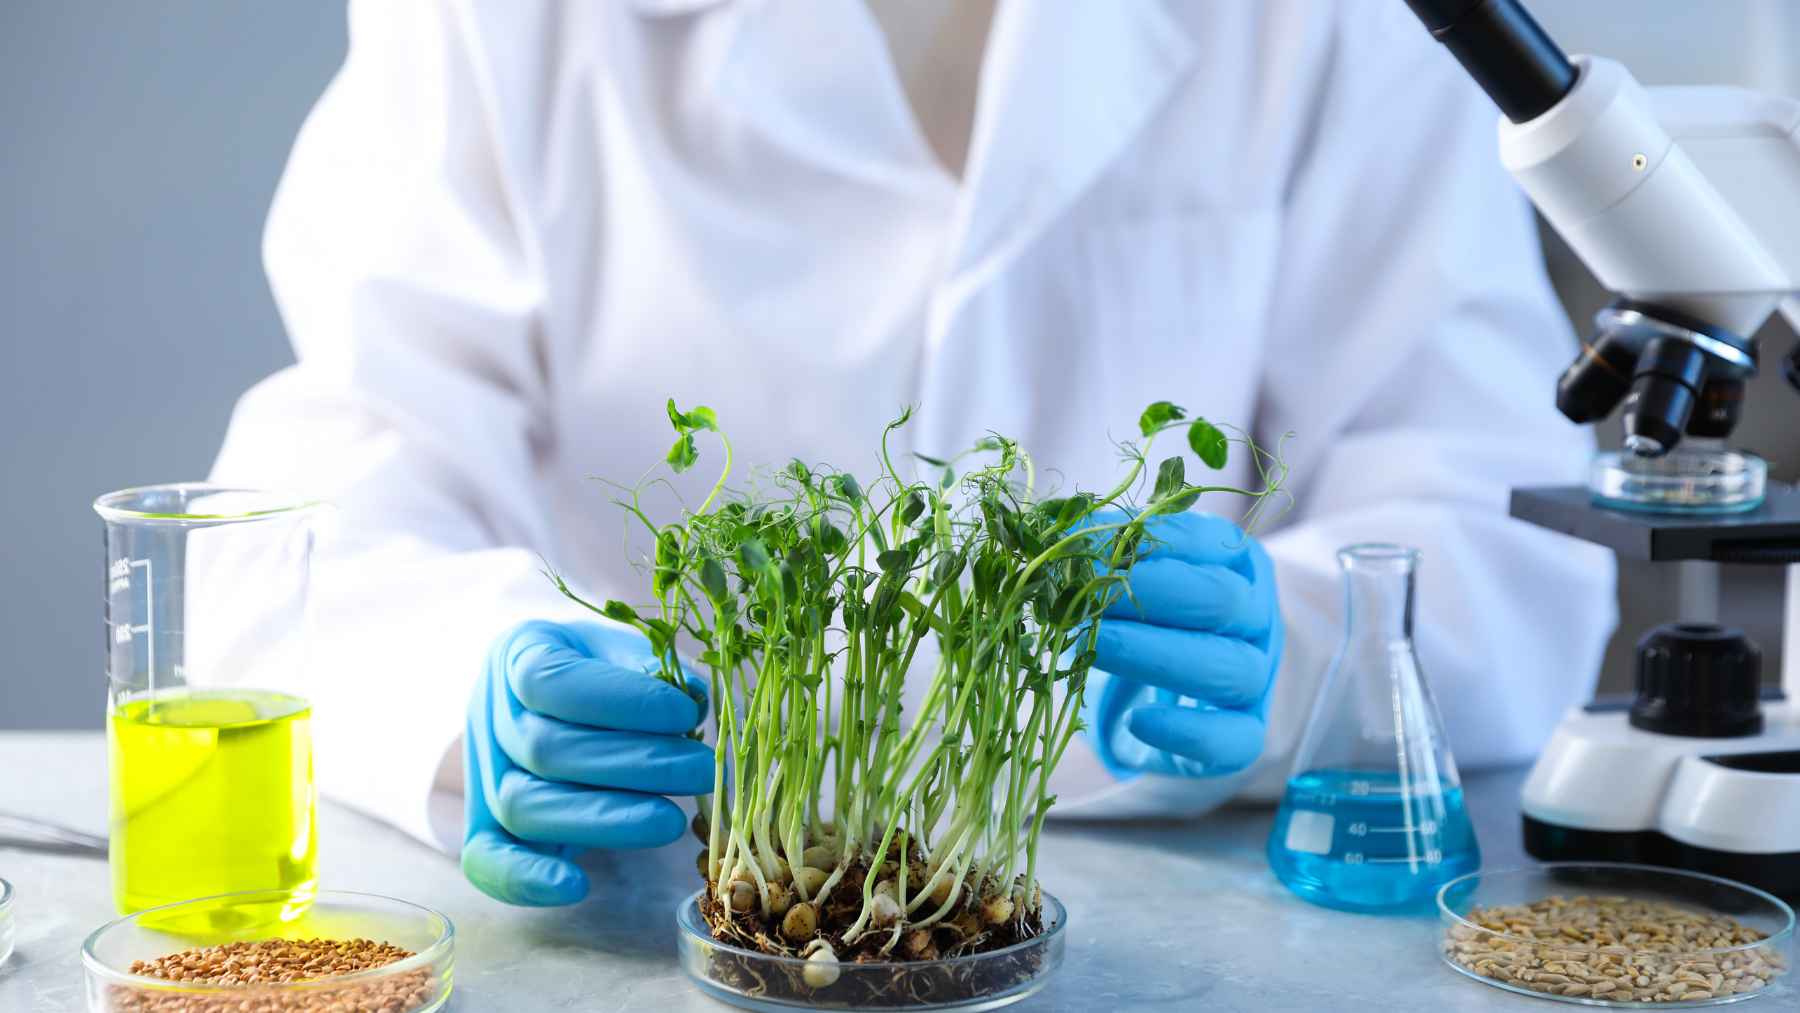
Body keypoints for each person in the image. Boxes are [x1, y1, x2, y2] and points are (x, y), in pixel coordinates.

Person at [211, 0, 1617, 907]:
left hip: (1137, 923)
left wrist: (1296, 654)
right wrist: (472, 668)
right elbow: (311, 508)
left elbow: (1503, 537)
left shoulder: (1333, 25)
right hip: (663, 913)